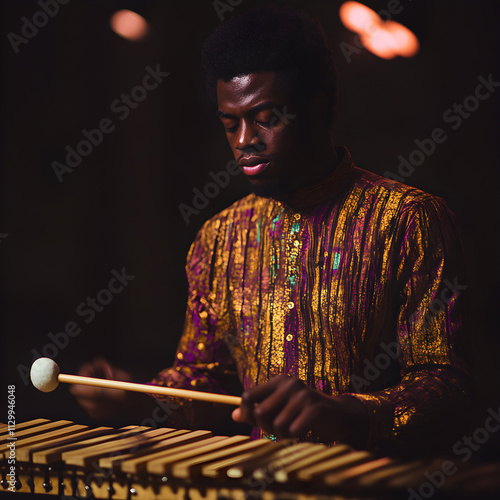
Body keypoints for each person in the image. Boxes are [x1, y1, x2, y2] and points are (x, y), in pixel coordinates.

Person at [71, 5, 474, 453]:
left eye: (266, 119)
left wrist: (352, 411)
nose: (244, 140)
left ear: (317, 109)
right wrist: (140, 401)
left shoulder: (409, 221)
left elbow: (450, 389)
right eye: (231, 124)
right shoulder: (219, 239)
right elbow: (204, 381)